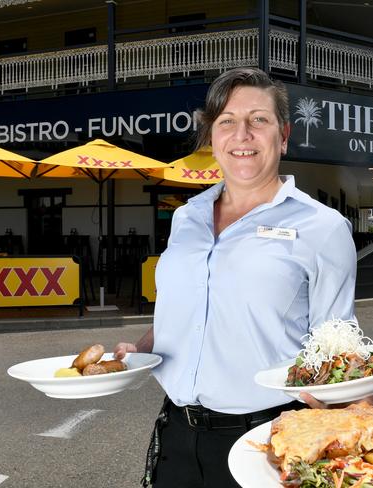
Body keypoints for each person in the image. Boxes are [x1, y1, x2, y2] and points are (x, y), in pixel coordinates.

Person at [114, 67, 359, 487]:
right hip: (177, 431)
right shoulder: (185, 216)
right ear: (212, 137)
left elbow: (339, 339)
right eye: (226, 121)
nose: (241, 134)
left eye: (257, 120)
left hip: (269, 438)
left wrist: (361, 418)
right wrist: (136, 350)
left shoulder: (324, 228)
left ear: (283, 135)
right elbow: (186, 311)